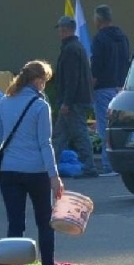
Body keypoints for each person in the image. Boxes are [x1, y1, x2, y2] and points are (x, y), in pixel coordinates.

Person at [0, 60, 66, 265]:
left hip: (9, 171)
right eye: (45, 81)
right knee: (44, 222)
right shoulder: (41, 105)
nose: (44, 86)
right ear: (37, 80)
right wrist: (54, 176)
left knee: (15, 224)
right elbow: (45, 143)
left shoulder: (5, 101)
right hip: (36, 171)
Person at [52, 15, 99, 178]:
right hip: (78, 99)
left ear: (65, 30)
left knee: (78, 133)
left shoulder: (70, 50)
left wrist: (66, 102)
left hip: (73, 102)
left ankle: (89, 167)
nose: (59, 32)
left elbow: (71, 78)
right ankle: (51, 166)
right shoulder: (76, 47)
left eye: (60, 29)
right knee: (60, 135)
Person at [89, 5, 131, 175]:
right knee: (118, 126)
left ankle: (108, 165)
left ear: (98, 20)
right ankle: (121, 162)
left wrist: (90, 85)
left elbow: (97, 66)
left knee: (104, 127)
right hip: (121, 87)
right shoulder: (122, 37)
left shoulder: (99, 39)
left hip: (103, 87)